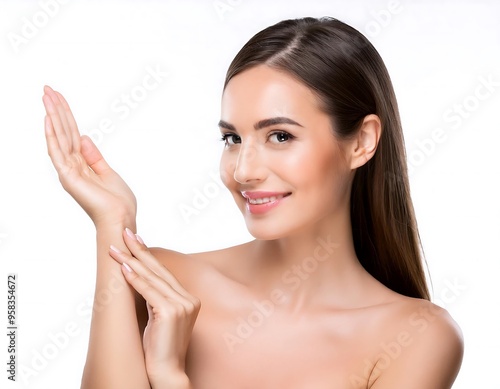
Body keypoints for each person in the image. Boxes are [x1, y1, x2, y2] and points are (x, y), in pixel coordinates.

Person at [42, 17, 463, 389]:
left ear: (362, 142)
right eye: (233, 139)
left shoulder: (417, 337)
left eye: (280, 136)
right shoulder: (161, 285)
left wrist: (172, 378)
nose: (243, 170)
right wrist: (112, 227)